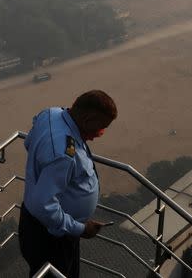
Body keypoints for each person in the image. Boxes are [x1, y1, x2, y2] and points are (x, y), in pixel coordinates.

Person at [19, 90, 118, 278]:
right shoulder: (63, 153)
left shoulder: (51, 114)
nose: (99, 134)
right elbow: (44, 206)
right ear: (88, 118)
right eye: (101, 128)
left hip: (41, 224)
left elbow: (29, 142)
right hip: (51, 238)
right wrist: (80, 228)